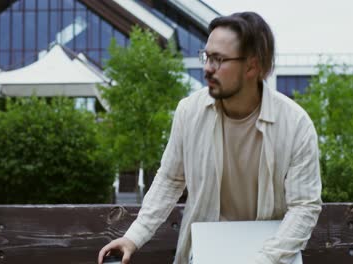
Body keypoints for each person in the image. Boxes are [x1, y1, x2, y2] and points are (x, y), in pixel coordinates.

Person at [98, 11, 322, 264]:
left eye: (218, 59)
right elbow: (170, 180)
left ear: (252, 65)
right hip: (206, 253)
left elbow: (304, 207)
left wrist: (265, 259)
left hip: (272, 254)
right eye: (206, 57)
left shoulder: (296, 125)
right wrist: (133, 237)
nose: (207, 68)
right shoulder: (189, 112)